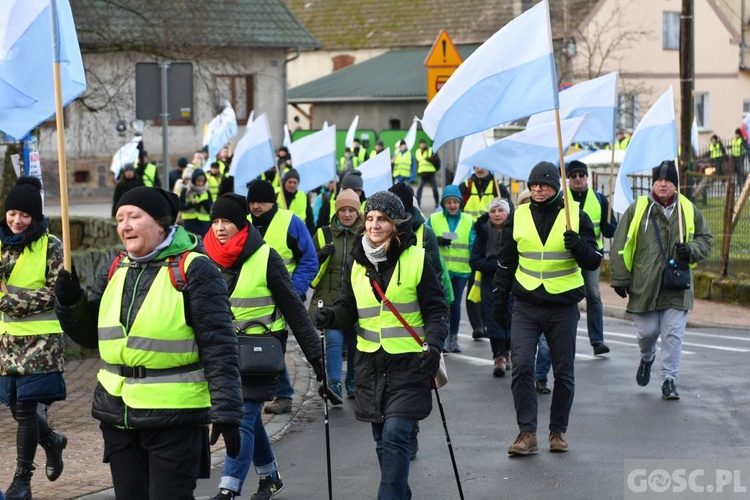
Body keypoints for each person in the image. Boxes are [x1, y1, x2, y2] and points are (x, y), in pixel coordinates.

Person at [54, 187, 243, 499]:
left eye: (134, 216)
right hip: (118, 414)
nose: (125, 225)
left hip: (174, 417)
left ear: (161, 224)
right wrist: (70, 303)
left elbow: (219, 345)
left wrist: (228, 411)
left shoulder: (195, 268)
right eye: (120, 218)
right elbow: (90, 337)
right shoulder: (115, 267)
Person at [313, 191, 448, 500]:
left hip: (410, 363)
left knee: (396, 434)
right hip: (370, 365)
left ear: (397, 225)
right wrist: (331, 316)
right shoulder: (356, 262)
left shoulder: (416, 259)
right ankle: (400, 493)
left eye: (382, 219)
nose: (374, 224)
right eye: (370, 218)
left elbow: (436, 310)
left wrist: (434, 344)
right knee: (380, 439)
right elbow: (349, 309)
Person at [204, 194, 323, 500]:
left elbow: (294, 309)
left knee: (242, 416)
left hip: (261, 353)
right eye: (215, 221)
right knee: (251, 418)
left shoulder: (265, 256)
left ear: (241, 223)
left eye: (226, 221)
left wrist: (316, 358)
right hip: (221, 353)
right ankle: (270, 476)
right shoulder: (202, 255)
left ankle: (228, 488)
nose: (219, 228)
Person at [492, 161, 602, 455]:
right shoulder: (519, 216)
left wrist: (578, 245)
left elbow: (593, 260)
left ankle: (558, 431)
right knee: (523, 367)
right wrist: (499, 298)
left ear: (556, 186)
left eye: (544, 184)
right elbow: (506, 261)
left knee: (563, 372)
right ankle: (527, 433)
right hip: (526, 304)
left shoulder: (576, 216)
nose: (538, 189)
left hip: (563, 305)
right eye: (534, 185)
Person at [610, 160, 713, 400]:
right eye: (659, 180)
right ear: (653, 183)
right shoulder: (638, 209)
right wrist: (619, 278)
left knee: (673, 334)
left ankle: (669, 379)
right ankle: (647, 358)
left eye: (668, 180)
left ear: (675, 184)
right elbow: (620, 244)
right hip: (644, 285)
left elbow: (706, 239)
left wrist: (692, 249)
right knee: (647, 333)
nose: (663, 184)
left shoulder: (687, 208)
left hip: (677, 285)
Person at [0, 177, 67, 500]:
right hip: (5, 345)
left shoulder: (51, 245)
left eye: (24, 215)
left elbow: (57, 291)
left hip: (40, 344)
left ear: (35, 217)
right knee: (17, 409)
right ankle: (53, 441)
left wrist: (12, 303)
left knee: (26, 411)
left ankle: (22, 481)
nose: (16, 220)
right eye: (12, 213)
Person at [246, 180, 318, 415]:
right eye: (252, 201)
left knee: (272, 345)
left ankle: (284, 394)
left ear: (273, 202)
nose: (256, 206)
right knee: (260, 345)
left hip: (282, 299)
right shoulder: (242, 222)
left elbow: (309, 259)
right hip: (249, 300)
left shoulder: (290, 222)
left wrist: (294, 291)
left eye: (262, 202)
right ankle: (274, 392)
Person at [309, 189, 364, 401]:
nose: (347, 215)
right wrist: (319, 257)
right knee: (332, 337)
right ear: (337, 211)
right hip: (328, 298)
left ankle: (352, 380)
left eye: (351, 210)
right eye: (343, 210)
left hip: (355, 298)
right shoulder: (323, 234)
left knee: (354, 340)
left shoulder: (364, 235)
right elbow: (309, 267)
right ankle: (333, 383)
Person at [566, 160, 618, 355]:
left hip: (590, 256)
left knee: (594, 295)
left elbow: (608, 228)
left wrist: (610, 227)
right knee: (568, 297)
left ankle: (597, 340)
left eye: (581, 175)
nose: (578, 179)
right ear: (569, 178)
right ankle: (564, 337)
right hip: (567, 255)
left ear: (587, 177)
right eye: (574, 176)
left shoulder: (599, 199)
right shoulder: (562, 198)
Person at [459, 166, 513, 341]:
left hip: (492, 237)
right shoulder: (466, 187)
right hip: (471, 240)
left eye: (482, 165)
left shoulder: (498, 186)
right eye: (476, 166)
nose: (479, 169)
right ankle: (477, 325)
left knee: (491, 290)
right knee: (473, 285)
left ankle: (489, 323)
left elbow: (509, 210)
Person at [427, 184, 474, 353]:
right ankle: (444, 338)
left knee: (455, 305)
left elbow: (472, 244)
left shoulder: (469, 220)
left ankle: (454, 338)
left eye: (455, 202)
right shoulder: (433, 219)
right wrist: (437, 240)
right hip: (440, 270)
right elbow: (426, 237)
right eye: (448, 202)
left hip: (461, 270)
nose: (452, 205)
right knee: (442, 304)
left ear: (460, 203)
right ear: (443, 204)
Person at [469, 197, 511, 376]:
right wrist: (496, 265)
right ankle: (498, 356)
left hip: (512, 283)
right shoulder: (483, 233)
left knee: (511, 318)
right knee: (494, 320)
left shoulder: (515, 231)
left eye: (500, 210)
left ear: (507, 213)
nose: (496, 214)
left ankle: (508, 351)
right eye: (493, 211)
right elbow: (475, 261)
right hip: (490, 284)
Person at [277, 169, 314, 234]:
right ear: (285, 182)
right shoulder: (277, 195)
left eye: (295, 182)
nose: (292, 185)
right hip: (280, 232)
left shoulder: (303, 196)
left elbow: (309, 218)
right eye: (290, 182)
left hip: (298, 233)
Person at [179, 168, 213, 237]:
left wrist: (204, 203)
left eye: (202, 181)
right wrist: (190, 204)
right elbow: (180, 206)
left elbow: (211, 209)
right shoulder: (186, 191)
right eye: (198, 181)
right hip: (189, 223)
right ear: (194, 180)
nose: (200, 183)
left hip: (204, 224)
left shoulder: (207, 192)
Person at [415, 138, 439, 209]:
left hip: (431, 173)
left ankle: (437, 202)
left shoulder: (431, 150)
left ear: (425, 144)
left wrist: (430, 159)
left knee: (434, 188)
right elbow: (418, 163)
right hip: (422, 174)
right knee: (419, 189)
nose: (422, 145)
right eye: (421, 144)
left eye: (423, 143)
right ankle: (418, 204)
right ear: (419, 145)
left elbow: (437, 160)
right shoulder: (417, 151)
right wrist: (418, 172)